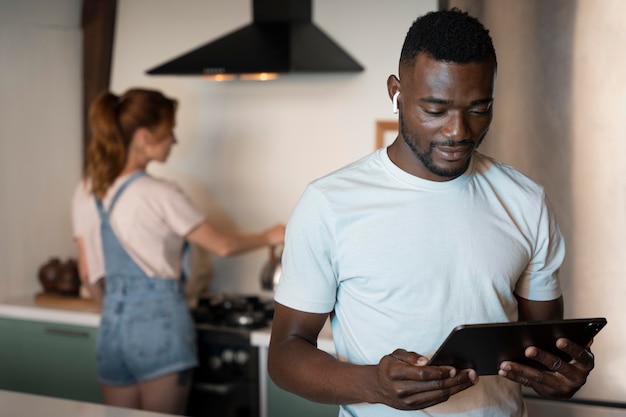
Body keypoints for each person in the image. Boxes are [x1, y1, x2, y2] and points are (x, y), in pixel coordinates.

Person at [267, 8, 595, 417]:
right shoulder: (330, 203)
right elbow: (284, 354)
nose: (458, 131)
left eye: (478, 108)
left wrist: (562, 373)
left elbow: (542, 348)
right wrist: (373, 384)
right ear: (396, 93)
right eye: (435, 109)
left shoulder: (525, 200)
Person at [71, 87, 285, 415]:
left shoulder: (89, 190)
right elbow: (223, 246)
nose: (175, 141)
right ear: (144, 137)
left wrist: (117, 315)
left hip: (111, 328)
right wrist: (269, 235)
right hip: (159, 324)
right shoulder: (159, 193)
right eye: (170, 132)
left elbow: (88, 273)